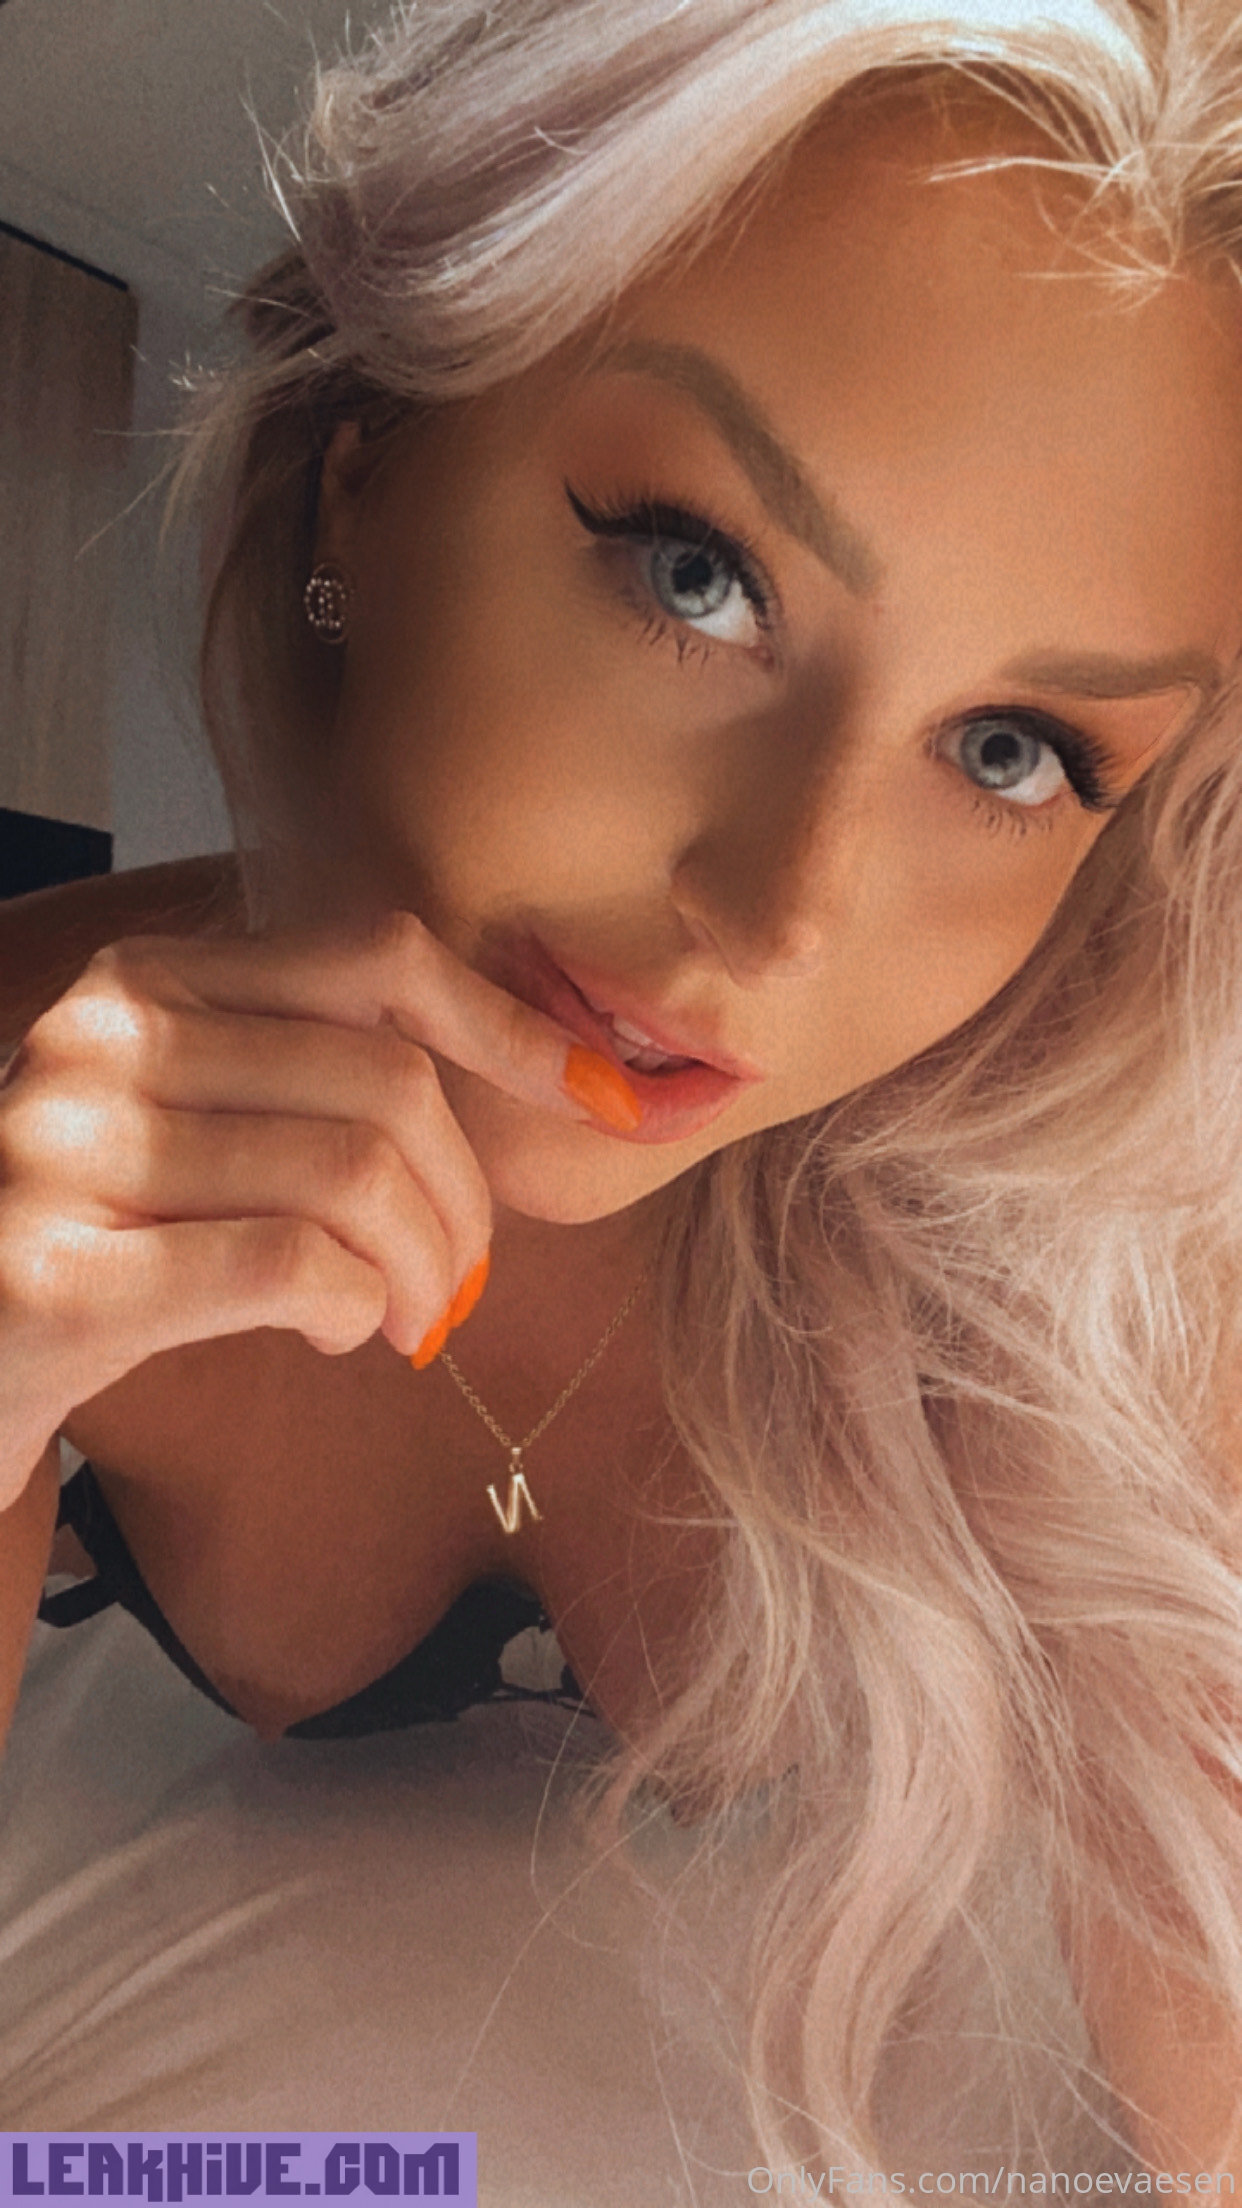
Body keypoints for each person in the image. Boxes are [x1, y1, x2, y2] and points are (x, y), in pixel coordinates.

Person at [1, 0, 1241, 2176]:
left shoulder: (1124, 1275)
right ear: (365, 465)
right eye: (699, 575)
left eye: (1012, 750)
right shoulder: (23, 1085)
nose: (779, 918)